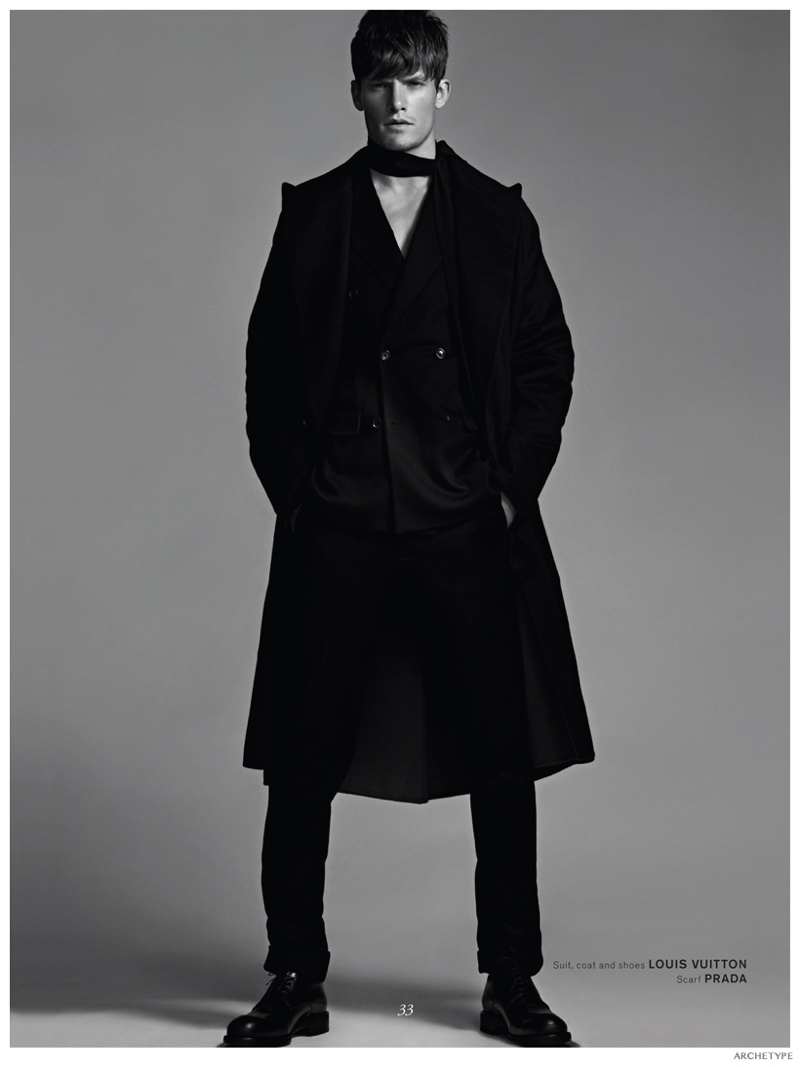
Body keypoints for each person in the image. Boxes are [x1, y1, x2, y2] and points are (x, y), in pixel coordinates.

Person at [224, 10, 594, 1049]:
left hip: (462, 519)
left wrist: (508, 490)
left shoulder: (497, 217)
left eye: (416, 79)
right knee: (301, 757)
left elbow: (546, 359)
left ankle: (510, 979)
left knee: (500, 756)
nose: (398, 98)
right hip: (338, 520)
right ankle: (293, 974)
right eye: (381, 80)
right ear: (355, 91)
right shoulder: (312, 215)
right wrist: (297, 495)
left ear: (444, 90)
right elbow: (267, 367)